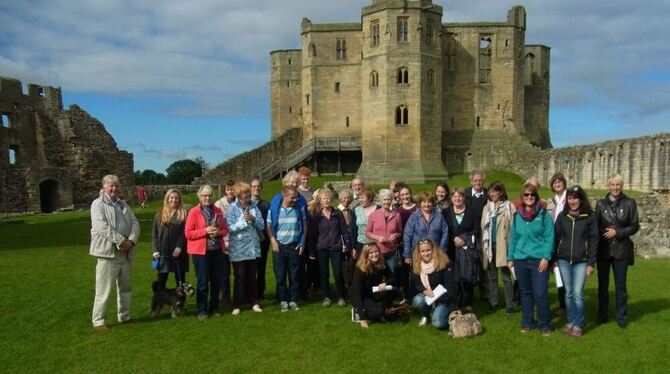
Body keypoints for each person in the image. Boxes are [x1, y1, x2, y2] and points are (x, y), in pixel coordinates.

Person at [90, 175, 140, 331]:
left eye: (117, 186)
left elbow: (135, 223)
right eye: (111, 186)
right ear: (104, 186)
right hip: (108, 253)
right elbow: (102, 227)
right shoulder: (97, 204)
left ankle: (124, 316)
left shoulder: (123, 204)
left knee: (125, 288)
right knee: (103, 290)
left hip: (125, 253)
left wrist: (131, 241)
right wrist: (121, 241)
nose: (114, 189)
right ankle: (98, 321)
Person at [508, 183, 554, 335]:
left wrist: (546, 257)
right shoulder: (517, 217)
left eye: (532, 195)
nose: (529, 197)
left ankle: (544, 324)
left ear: (536, 197)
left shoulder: (544, 215)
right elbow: (513, 239)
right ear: (522, 197)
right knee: (525, 293)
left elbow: (549, 237)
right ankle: (527, 322)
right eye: (526, 195)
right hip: (521, 260)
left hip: (538, 260)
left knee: (540, 293)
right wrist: (510, 258)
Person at [595, 173, 639, 329]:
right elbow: (596, 226)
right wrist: (604, 232)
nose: (615, 187)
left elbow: (635, 226)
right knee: (603, 285)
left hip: (621, 250)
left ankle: (621, 318)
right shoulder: (600, 204)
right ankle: (602, 316)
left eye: (618, 185)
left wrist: (617, 232)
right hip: (604, 250)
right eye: (612, 184)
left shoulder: (629, 203)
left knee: (620, 287)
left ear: (622, 186)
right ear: (608, 185)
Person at [554, 185, 598, 336]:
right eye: (570, 198)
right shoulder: (562, 216)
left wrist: (591, 263)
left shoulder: (589, 216)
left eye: (575, 198)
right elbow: (556, 238)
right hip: (564, 260)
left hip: (582, 260)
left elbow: (594, 240)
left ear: (581, 199)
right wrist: (554, 258)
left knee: (578, 293)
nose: (572, 201)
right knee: (568, 293)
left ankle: (578, 324)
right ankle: (571, 321)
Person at [185, 185, 229, 320]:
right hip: (200, 253)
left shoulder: (218, 211)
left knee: (216, 281)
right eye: (204, 195)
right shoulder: (194, 212)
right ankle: (201, 310)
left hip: (217, 251)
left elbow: (225, 229)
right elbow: (188, 233)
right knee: (203, 282)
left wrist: (219, 232)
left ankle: (214, 307)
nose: (207, 198)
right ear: (200, 196)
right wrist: (205, 231)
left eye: (209, 195)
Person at [307, 188, 352, 307]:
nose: (326, 200)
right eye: (324, 198)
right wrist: (311, 251)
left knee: (337, 273)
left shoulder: (338, 214)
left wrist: (347, 244)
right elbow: (312, 235)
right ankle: (326, 297)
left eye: (328, 198)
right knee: (324, 274)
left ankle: (341, 296)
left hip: (335, 248)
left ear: (331, 200)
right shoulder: (316, 217)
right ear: (320, 201)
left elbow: (344, 231)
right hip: (321, 249)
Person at [225, 182, 265, 315]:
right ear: (239, 194)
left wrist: (253, 219)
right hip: (238, 249)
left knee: (252, 277)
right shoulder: (231, 209)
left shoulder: (254, 207)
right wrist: (244, 221)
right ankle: (237, 304)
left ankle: (254, 302)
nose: (248, 195)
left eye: (248, 193)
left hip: (253, 248)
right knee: (240, 277)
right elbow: (229, 228)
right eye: (245, 193)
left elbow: (262, 225)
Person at [267, 186, 307, 312]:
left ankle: (294, 300)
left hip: (294, 246)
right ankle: (283, 300)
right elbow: (268, 225)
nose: (295, 200)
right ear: (284, 196)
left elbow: (305, 225)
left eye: (296, 197)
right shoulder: (274, 209)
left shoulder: (299, 208)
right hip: (279, 247)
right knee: (280, 276)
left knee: (295, 276)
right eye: (292, 197)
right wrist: (273, 241)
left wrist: (302, 242)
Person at [480, 181, 516, 314]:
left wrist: (512, 248)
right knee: (492, 277)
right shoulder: (486, 208)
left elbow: (513, 228)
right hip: (489, 246)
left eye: (494, 191)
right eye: (490, 191)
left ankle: (509, 304)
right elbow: (482, 227)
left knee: (506, 277)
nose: (492, 194)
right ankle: (493, 302)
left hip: (503, 246)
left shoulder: (509, 207)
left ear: (501, 192)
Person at [443, 187, 480, 310]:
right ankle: (456, 302)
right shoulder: (446, 212)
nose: (457, 199)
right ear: (451, 198)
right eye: (455, 196)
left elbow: (476, 229)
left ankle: (468, 303)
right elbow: (444, 230)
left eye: (460, 196)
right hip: (451, 249)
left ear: (464, 198)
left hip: (467, 249)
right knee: (454, 277)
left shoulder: (472, 211)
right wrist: (453, 238)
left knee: (467, 276)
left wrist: (464, 239)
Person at [411, 239, 458, 329]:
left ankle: (442, 314)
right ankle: (425, 315)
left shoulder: (444, 263)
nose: (426, 253)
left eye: (428, 250)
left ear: (434, 250)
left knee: (438, 323)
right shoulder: (417, 265)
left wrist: (438, 298)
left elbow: (451, 289)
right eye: (423, 251)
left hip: (444, 300)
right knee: (417, 300)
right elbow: (417, 285)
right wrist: (424, 291)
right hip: (429, 297)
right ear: (419, 253)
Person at [350, 243, 397, 328]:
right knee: (378, 312)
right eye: (371, 253)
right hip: (361, 296)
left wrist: (385, 283)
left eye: (376, 251)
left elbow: (393, 278)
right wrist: (362, 319)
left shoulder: (382, 263)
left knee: (394, 290)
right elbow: (357, 293)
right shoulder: (360, 269)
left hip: (374, 292)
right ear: (366, 255)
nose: (374, 254)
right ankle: (359, 313)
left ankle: (382, 309)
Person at [151, 188, 188, 292]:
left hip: (178, 252)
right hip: (163, 252)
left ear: (179, 200)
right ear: (167, 199)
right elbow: (154, 234)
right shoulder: (159, 214)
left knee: (180, 281)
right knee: (161, 281)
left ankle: (180, 305)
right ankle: (158, 305)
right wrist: (155, 250)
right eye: (171, 197)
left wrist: (179, 247)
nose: (174, 200)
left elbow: (185, 233)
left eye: (176, 198)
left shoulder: (184, 213)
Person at [402, 191, 449, 262]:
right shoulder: (414, 217)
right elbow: (407, 236)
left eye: (429, 202)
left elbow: (445, 234)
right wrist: (407, 254)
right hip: (418, 254)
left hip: (435, 254)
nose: (426, 204)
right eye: (424, 202)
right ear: (420, 203)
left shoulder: (439, 216)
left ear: (432, 203)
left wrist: (441, 250)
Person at [365, 189, 403, 274]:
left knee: (391, 274)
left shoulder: (397, 215)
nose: (386, 202)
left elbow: (400, 232)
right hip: (377, 252)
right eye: (384, 199)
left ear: (392, 200)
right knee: (377, 274)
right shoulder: (374, 215)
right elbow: (367, 232)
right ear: (380, 201)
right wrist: (378, 237)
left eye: (389, 199)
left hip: (391, 251)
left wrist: (396, 235)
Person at [466, 170, 489, 304]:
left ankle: (485, 293)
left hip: (484, 233)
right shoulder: (466, 195)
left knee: (484, 263)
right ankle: (470, 296)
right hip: (470, 234)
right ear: (471, 182)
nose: (477, 183)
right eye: (475, 180)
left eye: (480, 180)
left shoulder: (488, 195)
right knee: (469, 263)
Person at [547, 172, 568, 316]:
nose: (557, 184)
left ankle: (569, 304)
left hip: (567, 240)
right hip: (554, 240)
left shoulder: (569, 198)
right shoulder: (552, 201)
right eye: (555, 182)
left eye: (559, 181)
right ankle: (562, 305)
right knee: (558, 272)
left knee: (567, 273)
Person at [214, 179, 235, 307]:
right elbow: (217, 224)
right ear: (224, 191)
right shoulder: (218, 204)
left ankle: (240, 297)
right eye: (228, 189)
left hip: (238, 242)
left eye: (232, 188)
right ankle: (225, 298)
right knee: (224, 273)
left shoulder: (240, 202)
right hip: (224, 242)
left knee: (239, 273)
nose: (230, 191)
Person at [395, 184, 417, 302]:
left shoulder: (417, 208)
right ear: (399, 196)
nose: (405, 196)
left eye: (407, 194)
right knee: (404, 272)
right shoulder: (397, 211)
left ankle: (415, 295)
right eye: (402, 195)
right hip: (403, 245)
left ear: (410, 194)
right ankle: (405, 296)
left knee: (415, 272)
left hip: (417, 245)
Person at [251, 178, 271, 300]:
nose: (256, 188)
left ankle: (260, 293)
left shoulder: (265, 205)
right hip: (249, 242)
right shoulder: (246, 204)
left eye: (258, 186)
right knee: (250, 269)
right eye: (254, 186)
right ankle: (250, 294)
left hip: (262, 240)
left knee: (261, 268)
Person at [337, 189, 357, 298]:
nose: (346, 200)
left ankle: (350, 286)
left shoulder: (351, 211)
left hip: (350, 242)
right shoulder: (336, 211)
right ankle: (343, 288)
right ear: (340, 199)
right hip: (340, 242)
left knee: (351, 265)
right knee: (342, 266)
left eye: (348, 198)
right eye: (344, 198)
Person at [353, 187, 379, 252]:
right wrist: (353, 247)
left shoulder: (379, 209)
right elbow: (353, 229)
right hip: (360, 244)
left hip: (376, 245)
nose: (360, 200)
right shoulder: (356, 209)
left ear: (369, 198)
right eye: (359, 198)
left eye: (362, 198)